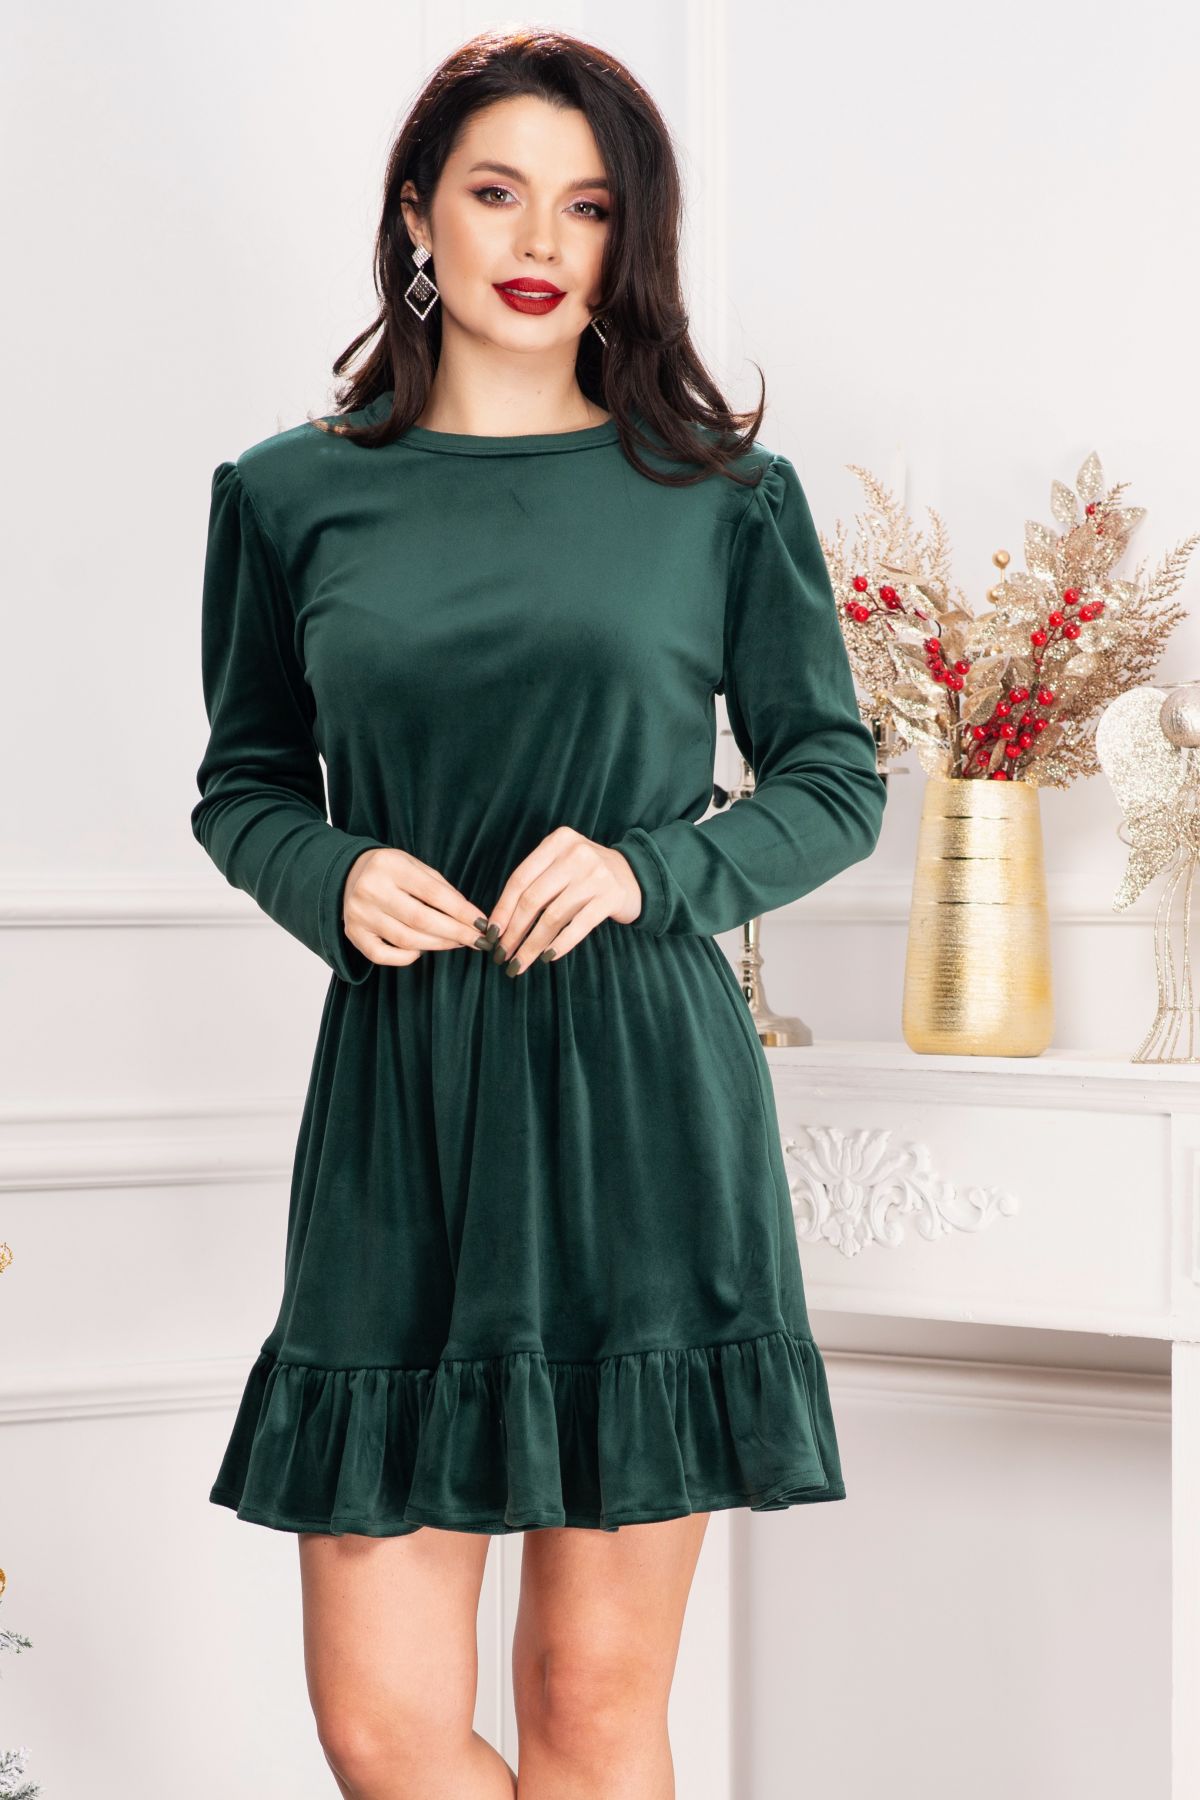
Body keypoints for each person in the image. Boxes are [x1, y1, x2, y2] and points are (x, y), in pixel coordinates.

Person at [191, 26, 887, 1800]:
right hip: (401, 1103)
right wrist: (331, 873)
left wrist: (655, 867)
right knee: (382, 1725)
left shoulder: (721, 496)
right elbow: (244, 782)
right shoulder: (288, 493)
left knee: (590, 1707)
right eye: (497, 192)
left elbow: (833, 779)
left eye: (588, 207)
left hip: (638, 1100)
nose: (539, 239)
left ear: (627, 238)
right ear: (417, 212)